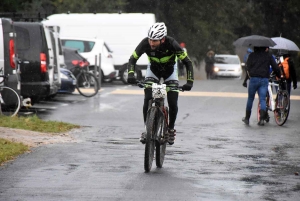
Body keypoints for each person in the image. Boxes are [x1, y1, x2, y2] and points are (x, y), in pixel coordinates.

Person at [127, 22, 194, 145]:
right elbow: (132, 59)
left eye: (155, 41)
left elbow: (187, 62)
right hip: (153, 70)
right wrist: (131, 74)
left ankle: (171, 129)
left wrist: (190, 82)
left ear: (162, 39)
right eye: (150, 39)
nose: (151, 43)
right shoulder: (145, 43)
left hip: (170, 71)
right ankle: (146, 130)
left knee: (173, 102)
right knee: (147, 98)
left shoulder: (172, 44)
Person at [242, 46, 281, 126]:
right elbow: (275, 67)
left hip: (253, 79)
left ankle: (247, 118)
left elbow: (247, 68)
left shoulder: (252, 55)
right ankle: (262, 119)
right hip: (264, 79)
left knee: (250, 98)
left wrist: (247, 79)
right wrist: (278, 75)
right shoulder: (268, 56)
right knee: (262, 99)